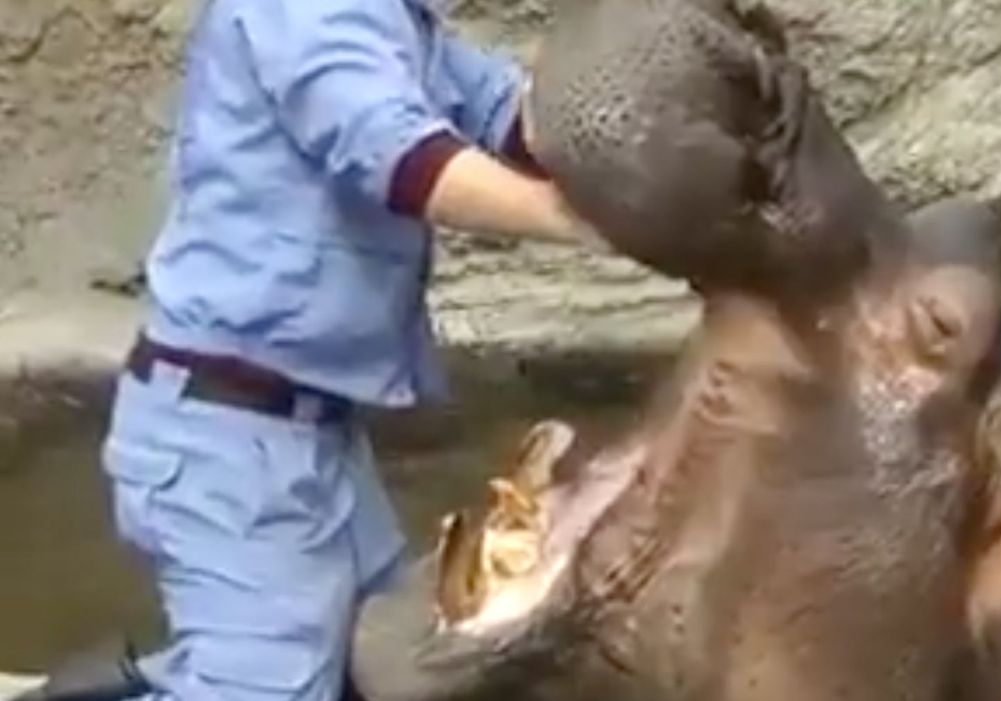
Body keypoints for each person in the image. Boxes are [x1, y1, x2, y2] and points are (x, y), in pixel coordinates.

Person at [17, 1, 604, 700]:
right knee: (274, 687)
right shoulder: (302, 11)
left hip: (310, 434)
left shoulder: (396, 20)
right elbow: (401, 161)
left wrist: (627, 150)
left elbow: (509, 116)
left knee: (390, 661)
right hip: (224, 436)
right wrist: (583, 222)